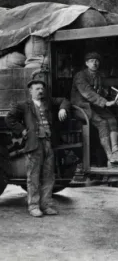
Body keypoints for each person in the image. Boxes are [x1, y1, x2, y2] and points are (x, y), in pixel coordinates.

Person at [5, 80, 70, 217]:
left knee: (49, 176)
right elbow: (9, 118)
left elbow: (64, 100)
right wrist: (23, 131)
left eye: (42, 89)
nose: (40, 91)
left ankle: (46, 205)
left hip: (48, 143)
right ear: (30, 91)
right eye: (37, 89)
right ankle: (34, 206)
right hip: (33, 144)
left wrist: (63, 108)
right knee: (33, 177)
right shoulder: (24, 105)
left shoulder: (48, 102)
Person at [71, 52, 118, 167]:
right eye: (91, 61)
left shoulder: (98, 75)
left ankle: (116, 151)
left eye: (96, 61)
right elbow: (87, 93)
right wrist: (105, 102)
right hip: (80, 107)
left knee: (112, 119)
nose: (94, 63)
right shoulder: (80, 76)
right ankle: (110, 156)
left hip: (93, 106)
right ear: (86, 63)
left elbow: (108, 82)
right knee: (102, 123)